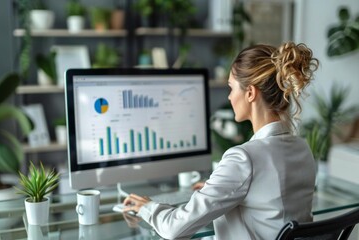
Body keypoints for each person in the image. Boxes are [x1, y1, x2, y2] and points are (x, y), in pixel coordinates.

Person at [123, 41, 320, 239]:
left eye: (231, 88)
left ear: (250, 93)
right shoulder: (302, 148)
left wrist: (147, 207)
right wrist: (217, 186)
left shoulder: (244, 158)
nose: (229, 97)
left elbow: (175, 229)